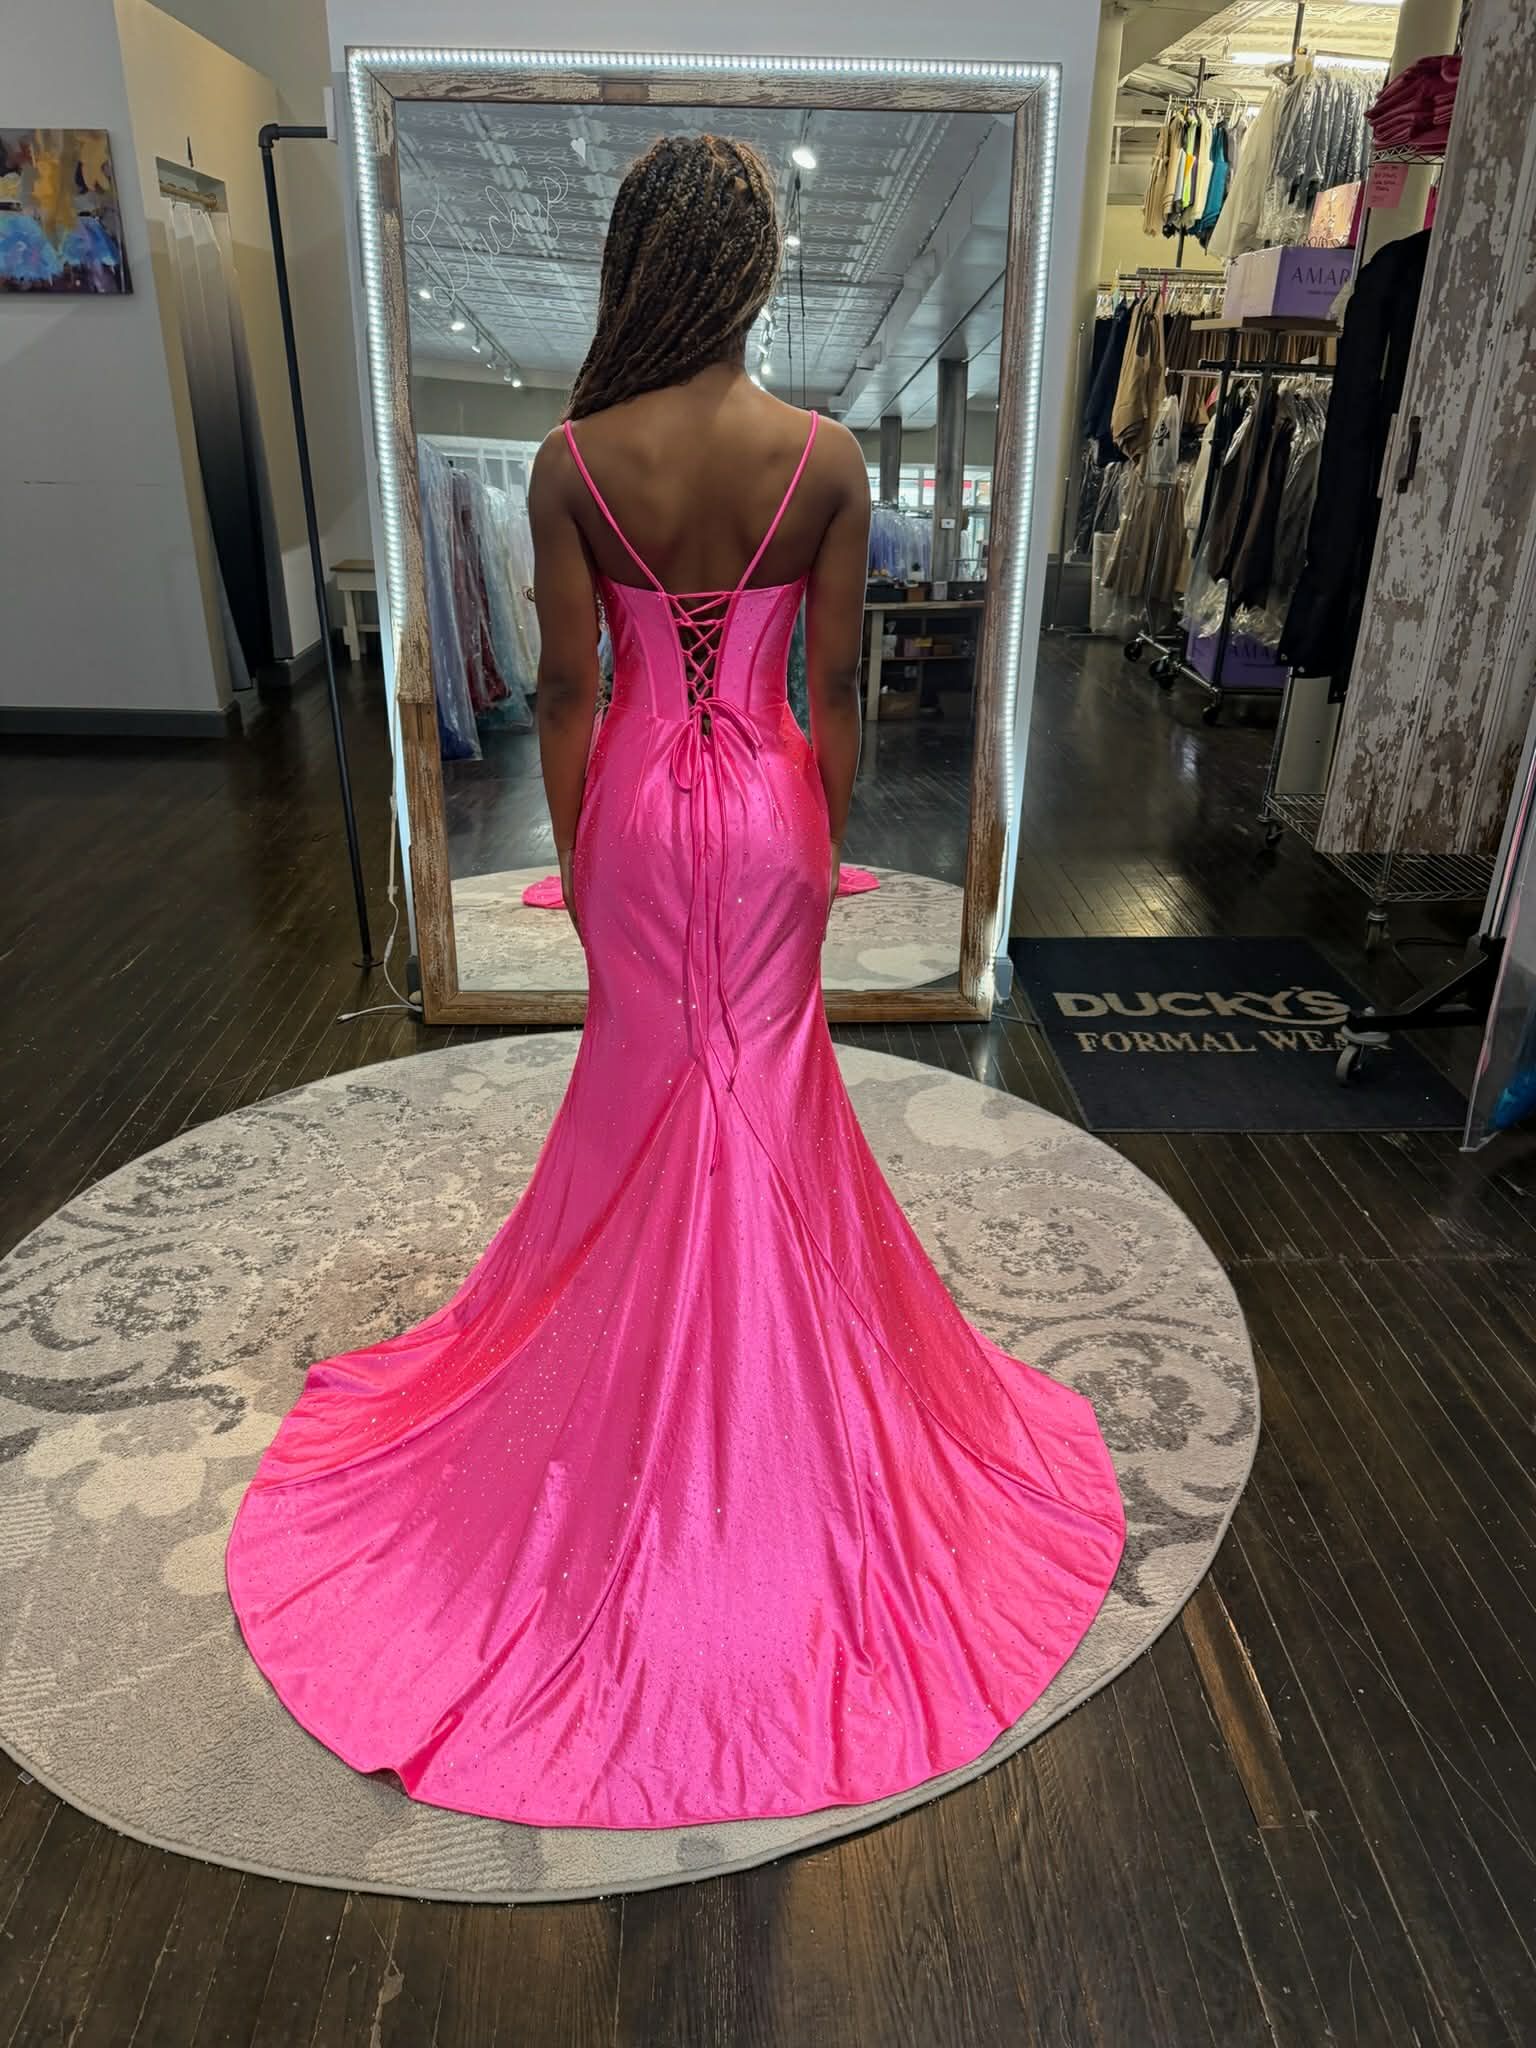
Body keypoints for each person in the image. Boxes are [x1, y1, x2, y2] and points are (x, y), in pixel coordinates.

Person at [226, 135, 1124, 1832]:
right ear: (754, 273)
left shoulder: (576, 461)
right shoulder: (831, 458)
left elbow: (566, 692)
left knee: (645, 1092)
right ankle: (782, 1437)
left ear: (641, 265)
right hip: (775, 817)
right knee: (769, 1095)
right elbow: (836, 691)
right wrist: (811, 831)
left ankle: (641, 1434)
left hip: (636, 810)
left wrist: (577, 860)